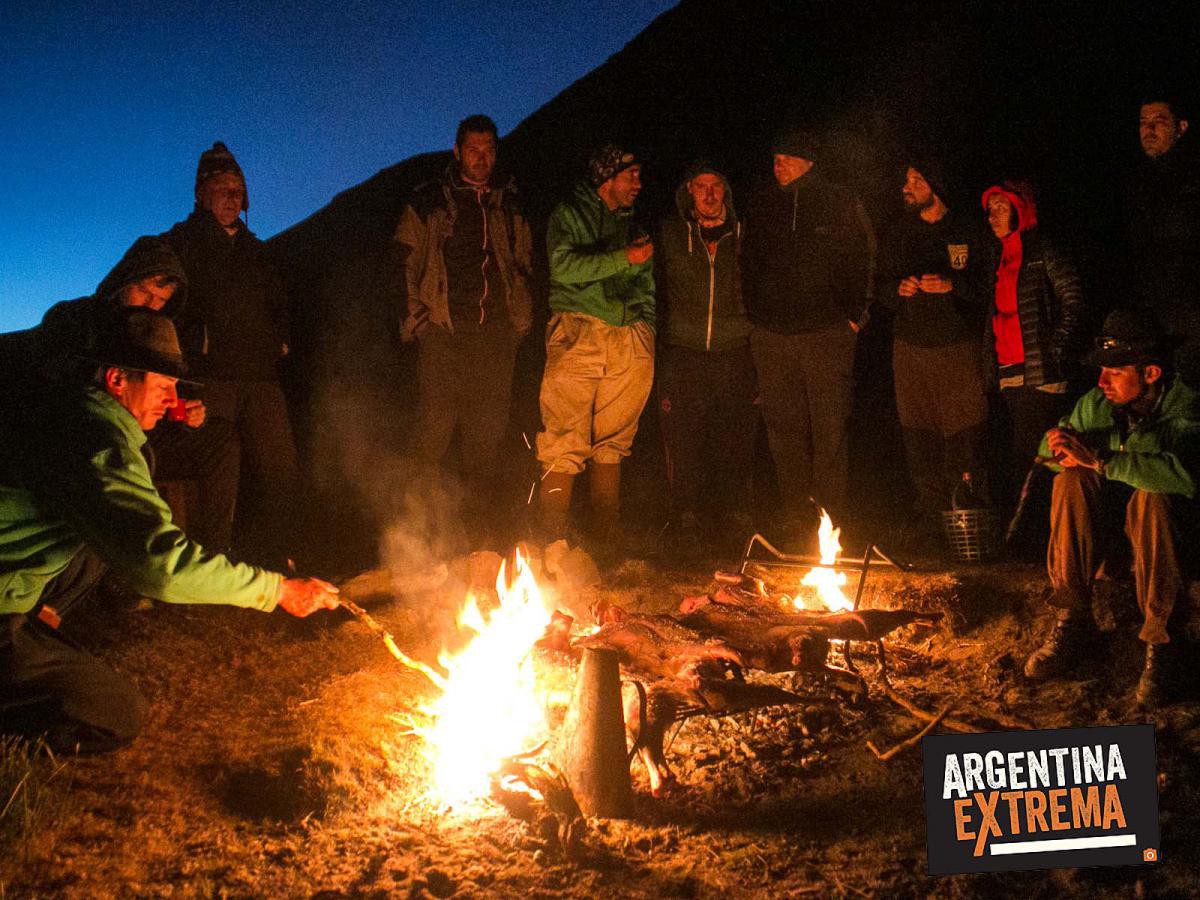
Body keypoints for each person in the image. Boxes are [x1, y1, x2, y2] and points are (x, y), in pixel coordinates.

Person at [0, 309, 338, 754]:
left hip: (13, 576)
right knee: (115, 712)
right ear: (118, 380)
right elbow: (159, 565)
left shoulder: (75, 413)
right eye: (162, 385)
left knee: (104, 543)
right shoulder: (98, 442)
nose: (172, 397)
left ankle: (31, 630)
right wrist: (277, 590)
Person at [0, 236, 240, 554]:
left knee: (220, 442)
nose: (151, 305)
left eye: (161, 300)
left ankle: (213, 558)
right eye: (145, 292)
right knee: (121, 457)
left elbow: (158, 398)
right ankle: (130, 563)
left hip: (140, 436)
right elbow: (44, 389)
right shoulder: (75, 320)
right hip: (80, 440)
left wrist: (183, 417)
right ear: (123, 279)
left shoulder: (156, 335)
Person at [1023, 310, 1200, 709]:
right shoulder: (1099, 403)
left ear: (1151, 373)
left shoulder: (1186, 409)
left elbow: (1185, 476)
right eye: (1102, 371)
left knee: (1152, 494)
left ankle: (1161, 646)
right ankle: (1072, 617)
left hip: (1173, 543)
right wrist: (1057, 449)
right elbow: (1045, 455)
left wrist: (1102, 459)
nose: (1102, 382)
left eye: (1115, 373)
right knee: (1069, 480)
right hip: (1114, 543)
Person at [393, 115, 534, 543]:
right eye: (473, 149)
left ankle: (476, 539)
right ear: (457, 151)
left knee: (485, 441)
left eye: (489, 149)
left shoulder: (508, 203)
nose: (482, 157)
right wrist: (417, 320)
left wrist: (519, 320)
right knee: (432, 436)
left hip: (494, 338)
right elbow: (402, 262)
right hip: (444, 333)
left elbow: (525, 264)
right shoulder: (429, 200)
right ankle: (415, 536)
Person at [164, 142, 300, 566]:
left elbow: (279, 303)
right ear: (201, 193)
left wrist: (280, 337)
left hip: (260, 376)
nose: (231, 197)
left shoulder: (257, 251)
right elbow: (169, 304)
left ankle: (285, 555)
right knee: (215, 463)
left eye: (238, 189)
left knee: (279, 467)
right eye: (222, 188)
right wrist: (187, 353)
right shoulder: (181, 244)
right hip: (210, 375)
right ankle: (209, 557)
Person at [741, 128, 872, 535]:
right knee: (783, 429)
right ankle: (796, 515)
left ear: (809, 161)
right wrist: (753, 318)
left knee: (830, 425)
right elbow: (745, 264)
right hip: (772, 335)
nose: (777, 164)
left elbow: (865, 254)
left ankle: (831, 519)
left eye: (787, 157)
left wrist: (856, 315)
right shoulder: (761, 205)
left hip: (827, 332)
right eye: (775, 157)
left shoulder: (839, 200)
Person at [536, 144, 655, 553]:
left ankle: (606, 538)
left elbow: (646, 281)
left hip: (628, 337)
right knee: (565, 434)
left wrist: (646, 328)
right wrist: (622, 257)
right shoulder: (570, 213)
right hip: (579, 330)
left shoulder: (631, 223)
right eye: (631, 175)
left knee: (615, 439)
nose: (638, 183)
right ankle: (552, 540)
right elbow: (563, 267)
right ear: (607, 178)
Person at [878, 161, 988, 546]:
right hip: (911, 348)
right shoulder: (898, 233)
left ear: (936, 186)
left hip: (957, 348)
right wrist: (899, 290)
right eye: (906, 180)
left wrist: (950, 285)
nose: (906, 187)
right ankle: (930, 521)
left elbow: (985, 287)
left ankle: (967, 521)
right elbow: (881, 291)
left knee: (963, 436)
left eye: (916, 181)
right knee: (918, 436)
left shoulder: (965, 230)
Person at [654, 163, 755, 555]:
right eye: (701, 187)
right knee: (683, 439)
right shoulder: (671, 235)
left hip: (734, 349)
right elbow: (657, 287)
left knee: (736, 438)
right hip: (684, 351)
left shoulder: (745, 233)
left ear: (725, 192)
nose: (709, 195)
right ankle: (685, 517)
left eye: (716, 187)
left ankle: (736, 517)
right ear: (689, 192)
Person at [980, 180, 1088, 506]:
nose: (994, 216)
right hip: (1009, 371)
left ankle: (1044, 530)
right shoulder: (998, 257)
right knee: (1020, 453)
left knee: (1039, 453)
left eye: (1002, 208)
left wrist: (1056, 349)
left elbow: (1075, 300)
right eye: (991, 210)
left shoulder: (1043, 251)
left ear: (1019, 209)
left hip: (1041, 372)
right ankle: (1027, 531)